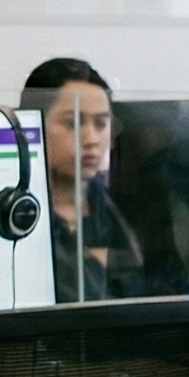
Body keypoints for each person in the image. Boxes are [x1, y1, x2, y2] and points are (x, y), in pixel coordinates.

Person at [18, 57, 145, 302]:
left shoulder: (128, 212)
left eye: (101, 123)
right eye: (73, 122)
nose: (91, 139)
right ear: (33, 124)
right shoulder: (16, 218)